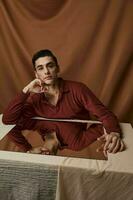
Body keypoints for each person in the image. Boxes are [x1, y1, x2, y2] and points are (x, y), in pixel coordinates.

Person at [2, 49, 125, 156]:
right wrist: (27, 90)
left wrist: (113, 132)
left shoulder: (77, 90)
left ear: (58, 68)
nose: (46, 72)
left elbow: (105, 116)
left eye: (50, 66)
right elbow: (8, 121)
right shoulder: (77, 143)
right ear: (36, 74)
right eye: (40, 68)